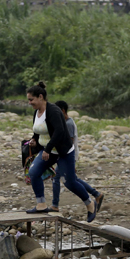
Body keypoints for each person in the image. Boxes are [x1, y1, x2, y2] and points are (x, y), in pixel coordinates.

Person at [24, 83, 96, 221]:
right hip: (48, 150)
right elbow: (38, 130)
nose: (29, 102)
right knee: (33, 172)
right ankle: (41, 204)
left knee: (69, 182)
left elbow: (59, 132)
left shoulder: (54, 111)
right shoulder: (37, 111)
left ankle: (90, 203)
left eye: (31, 99)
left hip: (63, 151)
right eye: (28, 100)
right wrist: (34, 139)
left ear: (40, 97)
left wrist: (48, 149)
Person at [50, 100, 104, 213]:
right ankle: (96, 194)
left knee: (60, 178)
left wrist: (69, 161)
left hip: (68, 155)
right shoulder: (66, 122)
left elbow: (68, 144)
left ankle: (55, 205)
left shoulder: (68, 124)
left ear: (62, 110)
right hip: (67, 156)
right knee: (71, 179)